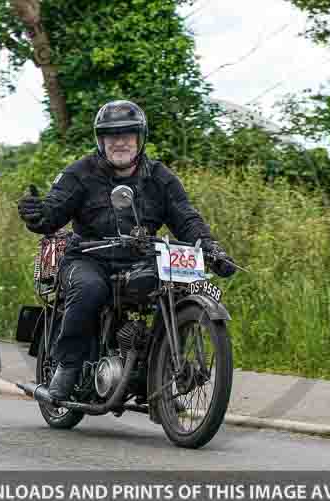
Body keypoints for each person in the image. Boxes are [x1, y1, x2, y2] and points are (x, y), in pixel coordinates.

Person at [17, 100, 236, 402]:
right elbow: (53, 212)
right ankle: (67, 367)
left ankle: (159, 370)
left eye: (127, 134)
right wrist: (36, 215)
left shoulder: (160, 177)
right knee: (90, 289)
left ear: (139, 138)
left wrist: (210, 247)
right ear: (101, 140)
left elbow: (186, 216)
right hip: (88, 257)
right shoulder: (80, 173)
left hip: (140, 258)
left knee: (175, 291)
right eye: (111, 135)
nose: (120, 142)